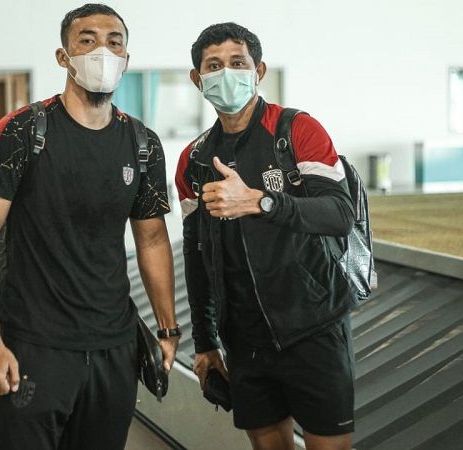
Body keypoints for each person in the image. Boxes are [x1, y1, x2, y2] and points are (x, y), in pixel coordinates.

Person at [0, 4, 179, 449]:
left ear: (126, 57)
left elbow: (153, 238)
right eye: (87, 39)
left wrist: (167, 329)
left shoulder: (143, 144)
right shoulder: (24, 131)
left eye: (114, 41)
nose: (102, 49)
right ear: (63, 56)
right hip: (33, 346)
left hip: (113, 347)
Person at [175, 22, 357, 450]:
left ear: (258, 70)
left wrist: (261, 202)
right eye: (213, 66)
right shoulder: (195, 160)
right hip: (245, 340)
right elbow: (195, 254)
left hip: (313, 328)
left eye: (237, 63)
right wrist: (205, 343)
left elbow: (339, 213)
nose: (226, 74)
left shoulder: (296, 130)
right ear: (197, 79)